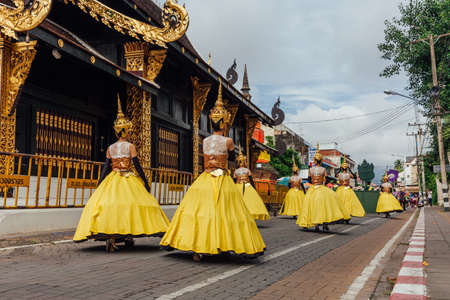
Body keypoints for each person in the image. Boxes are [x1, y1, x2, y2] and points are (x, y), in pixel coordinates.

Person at [160, 80, 265, 261]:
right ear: (224, 123)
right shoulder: (228, 142)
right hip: (222, 178)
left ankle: (198, 245)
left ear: (211, 123)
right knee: (226, 212)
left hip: (205, 178)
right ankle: (223, 243)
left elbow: (205, 159)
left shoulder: (205, 141)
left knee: (201, 211)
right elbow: (232, 159)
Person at [73, 95, 170, 252]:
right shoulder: (130, 146)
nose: (130, 133)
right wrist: (145, 181)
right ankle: (128, 235)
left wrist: (99, 184)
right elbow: (137, 165)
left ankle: (114, 238)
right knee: (132, 207)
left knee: (112, 208)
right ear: (125, 131)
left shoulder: (110, 148)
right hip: (128, 177)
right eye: (129, 130)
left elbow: (105, 167)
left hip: (112, 179)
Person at [297, 144, 346, 232]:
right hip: (321, 188)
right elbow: (326, 180)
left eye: (314, 160)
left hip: (313, 189)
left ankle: (315, 224)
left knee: (311, 206)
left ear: (315, 160)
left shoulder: (310, 170)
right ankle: (325, 223)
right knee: (325, 207)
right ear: (321, 160)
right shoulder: (323, 169)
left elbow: (309, 180)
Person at [234, 145, 270, 220]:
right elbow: (251, 180)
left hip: (237, 187)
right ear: (244, 162)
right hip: (248, 187)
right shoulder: (247, 170)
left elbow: (234, 181)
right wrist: (254, 190)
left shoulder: (235, 171)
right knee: (250, 202)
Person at [335, 157, 365, 223]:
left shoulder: (339, 174)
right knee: (348, 203)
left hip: (340, 189)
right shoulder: (349, 174)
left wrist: (340, 169)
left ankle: (343, 216)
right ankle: (346, 216)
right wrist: (350, 170)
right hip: (347, 189)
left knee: (340, 203)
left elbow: (335, 174)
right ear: (347, 168)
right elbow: (355, 176)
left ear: (342, 168)